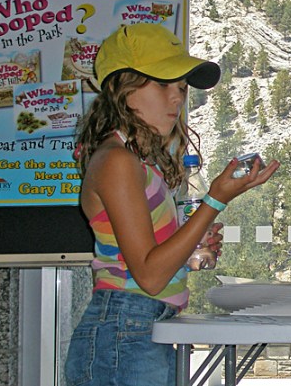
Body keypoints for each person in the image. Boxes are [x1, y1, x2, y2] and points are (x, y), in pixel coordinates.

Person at [64, 23, 279, 386]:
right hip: (125, 331)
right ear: (124, 87)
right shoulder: (118, 161)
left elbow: (141, 264)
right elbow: (149, 276)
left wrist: (188, 251)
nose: (177, 98)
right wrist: (215, 200)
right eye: (163, 84)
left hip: (138, 327)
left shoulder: (138, 162)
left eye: (181, 87)